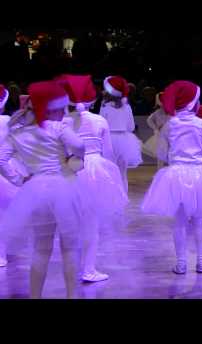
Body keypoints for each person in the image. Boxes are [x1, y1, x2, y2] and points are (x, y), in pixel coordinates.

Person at [0, 81, 85, 298]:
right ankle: (72, 296)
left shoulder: (18, 133)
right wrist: (74, 158)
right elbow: (79, 146)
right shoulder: (58, 127)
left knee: (41, 249)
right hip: (63, 186)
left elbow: (1, 159)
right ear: (54, 107)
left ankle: (35, 296)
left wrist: (19, 180)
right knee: (69, 248)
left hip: (36, 190)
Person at [141, 81, 202, 275]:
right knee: (199, 221)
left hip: (176, 175)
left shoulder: (170, 124)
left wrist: (175, 155)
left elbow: (161, 153)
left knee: (179, 222)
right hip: (199, 175)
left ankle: (181, 263)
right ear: (192, 102)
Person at [58, 74, 128, 283]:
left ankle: (71, 268)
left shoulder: (62, 122)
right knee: (91, 223)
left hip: (69, 170)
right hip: (95, 170)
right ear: (92, 99)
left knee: (69, 223)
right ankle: (88, 269)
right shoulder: (99, 120)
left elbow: (59, 152)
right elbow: (107, 152)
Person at [100, 75, 143, 193]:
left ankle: (111, 196)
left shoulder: (104, 107)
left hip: (108, 140)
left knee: (109, 171)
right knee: (122, 173)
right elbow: (131, 127)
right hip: (124, 140)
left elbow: (101, 125)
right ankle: (123, 197)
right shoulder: (127, 107)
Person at [0, 85, 19, 267]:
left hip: (4, 166)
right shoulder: (9, 121)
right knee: (3, 214)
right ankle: (1, 253)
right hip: (5, 169)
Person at [143, 92, 169, 168]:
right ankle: (159, 173)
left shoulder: (172, 112)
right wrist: (156, 127)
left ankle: (171, 172)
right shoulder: (157, 113)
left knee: (171, 155)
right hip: (161, 136)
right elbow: (149, 120)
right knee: (161, 155)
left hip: (171, 136)